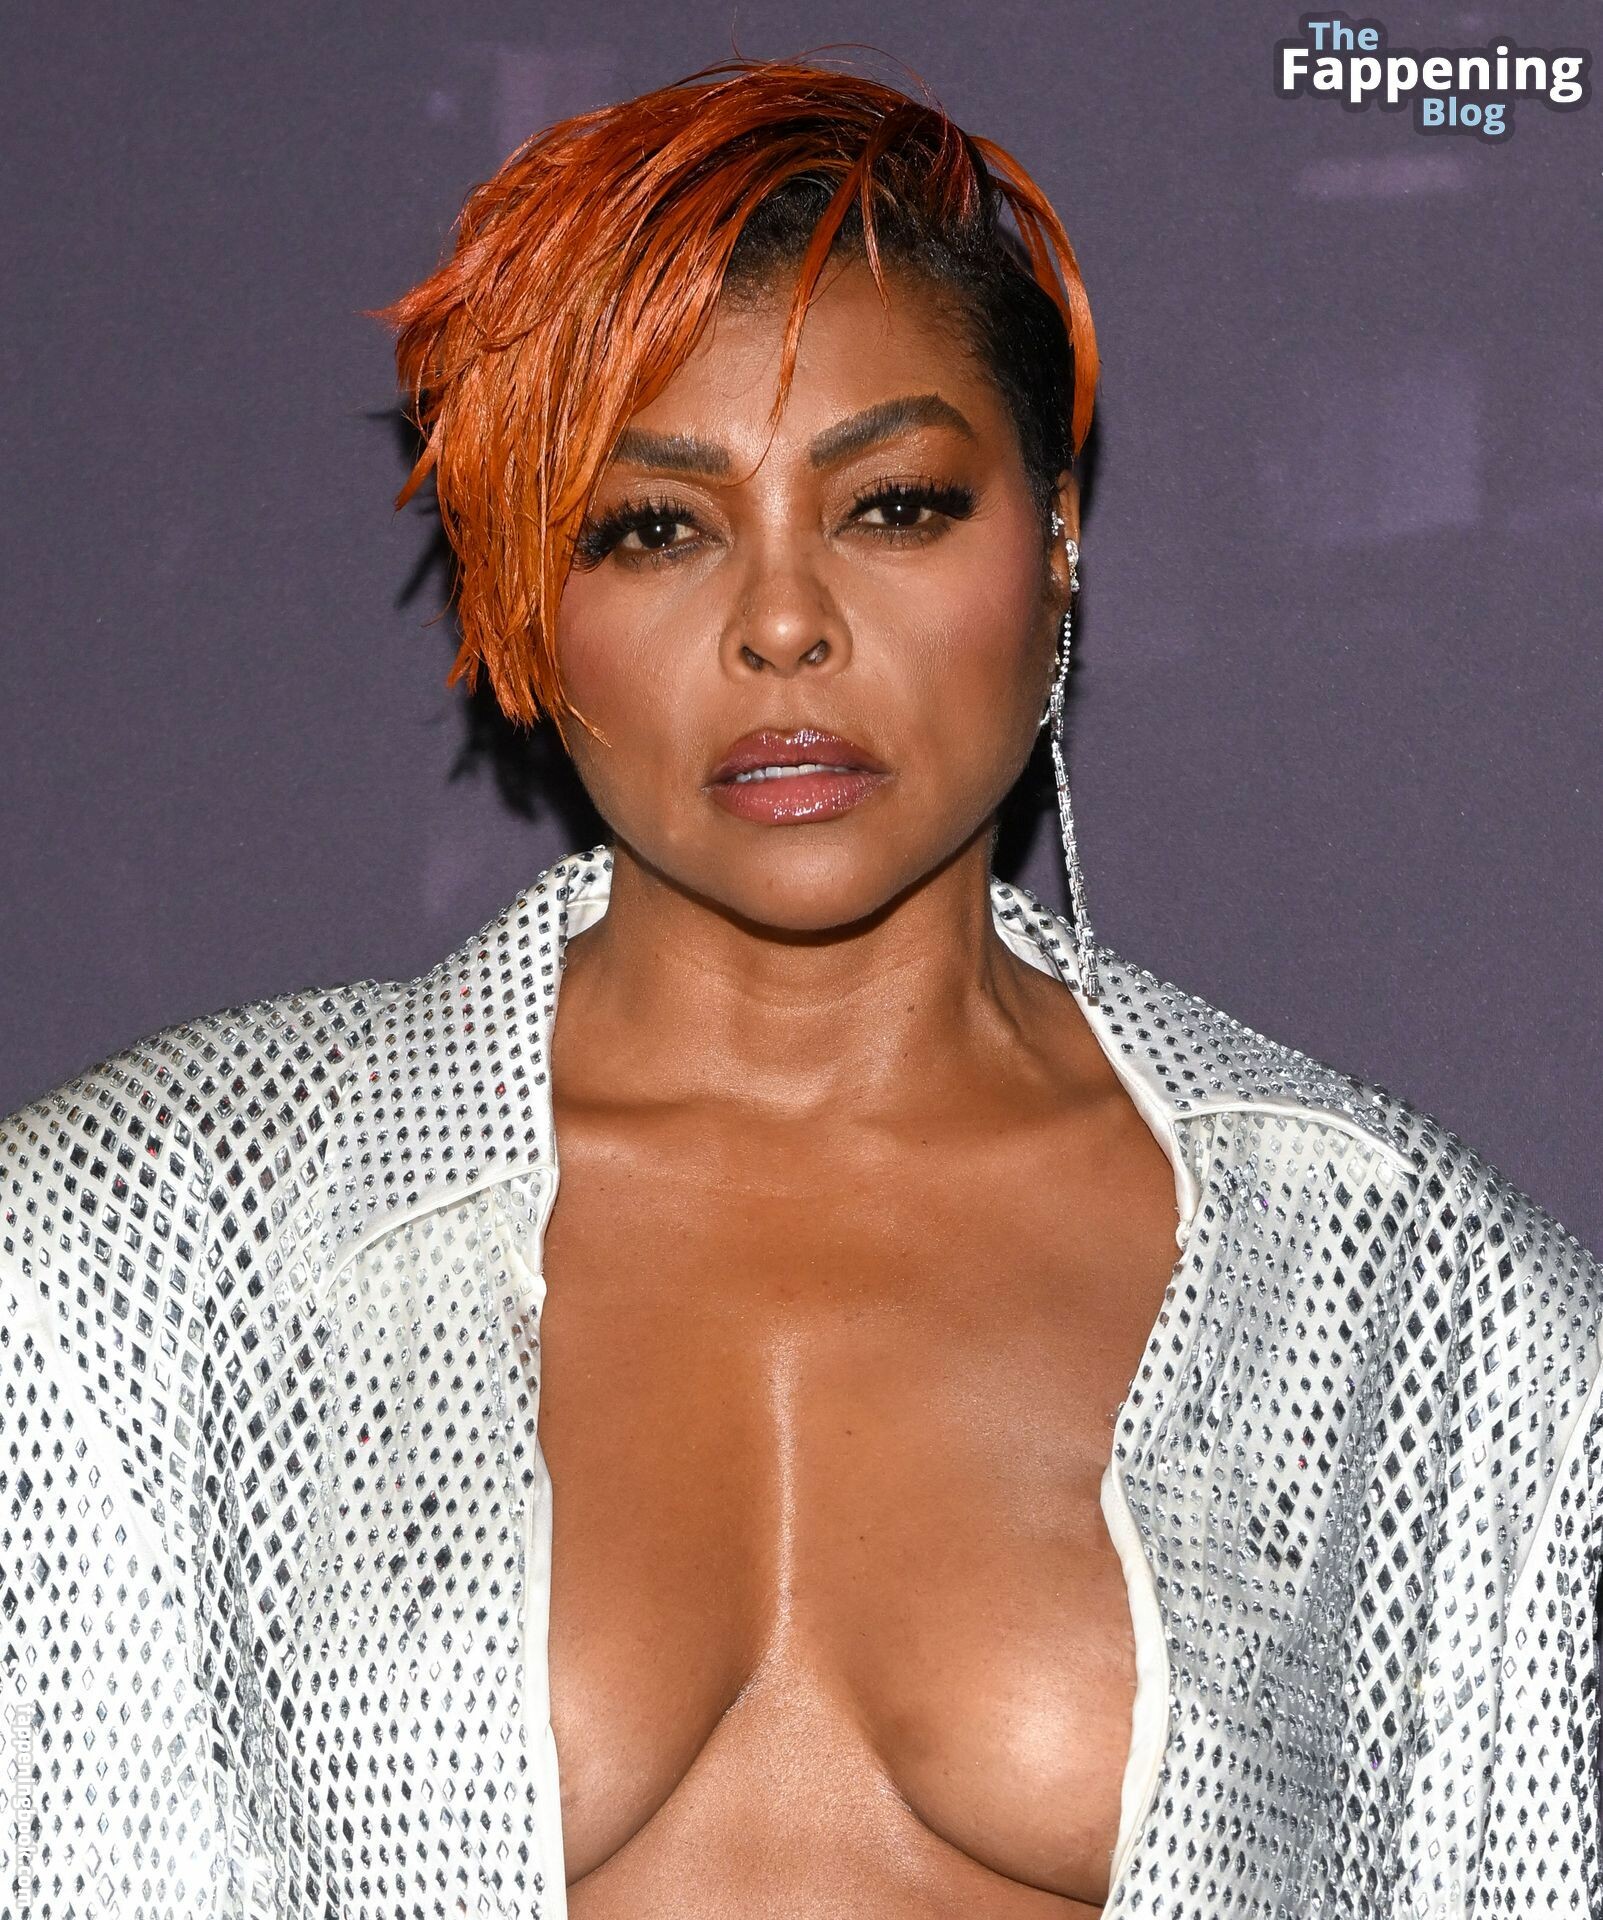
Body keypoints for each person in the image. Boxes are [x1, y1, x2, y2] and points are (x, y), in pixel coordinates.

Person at [1, 53, 1598, 1920]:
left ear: (1059, 537)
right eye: (652, 525)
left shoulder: (1415, 1301)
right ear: (526, 596)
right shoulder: (137, 1253)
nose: (782, 623)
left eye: (894, 504)